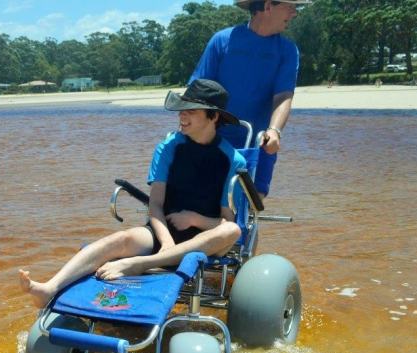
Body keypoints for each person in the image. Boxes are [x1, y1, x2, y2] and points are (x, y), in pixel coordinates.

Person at [19, 79, 246, 308]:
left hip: (207, 240)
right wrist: (166, 241)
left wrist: (194, 219)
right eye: (181, 110)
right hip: (165, 231)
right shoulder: (169, 147)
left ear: (213, 117)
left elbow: (226, 221)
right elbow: (155, 205)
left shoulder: (232, 160)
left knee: (232, 229)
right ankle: (50, 288)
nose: (182, 116)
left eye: (191, 111)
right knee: (122, 239)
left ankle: (140, 264)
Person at [189, 0, 312, 197]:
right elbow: (198, 89)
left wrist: (275, 131)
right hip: (215, 138)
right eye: (290, 6)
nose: (294, 13)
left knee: (251, 206)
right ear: (268, 5)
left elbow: (283, 95)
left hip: (259, 140)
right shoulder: (222, 40)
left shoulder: (288, 50)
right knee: (204, 201)